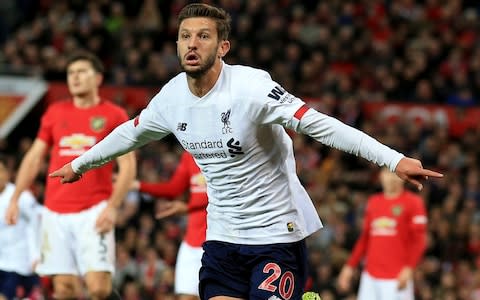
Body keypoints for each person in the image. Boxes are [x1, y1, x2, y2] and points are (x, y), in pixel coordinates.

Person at [48, 4, 443, 300]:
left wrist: (393, 159)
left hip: (276, 236)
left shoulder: (253, 88)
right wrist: (80, 164)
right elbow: (129, 134)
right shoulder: (170, 97)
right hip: (222, 237)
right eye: (185, 36)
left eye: (203, 36)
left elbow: (320, 125)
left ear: (223, 46)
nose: (192, 43)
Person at [4, 51, 136, 300]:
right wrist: (15, 197)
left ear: (98, 78)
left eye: (82, 72)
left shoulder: (113, 114)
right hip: (55, 212)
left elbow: (127, 165)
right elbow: (34, 157)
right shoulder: (55, 112)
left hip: (94, 210)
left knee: (99, 288)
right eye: (71, 73)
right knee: (63, 288)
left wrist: (113, 207)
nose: (75, 77)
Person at [337, 167, 428, 300]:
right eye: (388, 173)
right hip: (370, 276)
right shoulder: (373, 202)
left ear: (404, 177)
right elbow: (365, 238)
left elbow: (419, 241)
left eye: (395, 174)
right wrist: (349, 266)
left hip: (396, 276)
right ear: (381, 175)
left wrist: (409, 268)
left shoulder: (414, 203)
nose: (391, 178)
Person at [131, 151, 207, 300]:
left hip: (217, 241)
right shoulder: (189, 155)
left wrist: (187, 208)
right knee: (186, 297)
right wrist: (138, 185)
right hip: (191, 242)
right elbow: (174, 188)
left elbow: (226, 195)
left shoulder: (225, 151)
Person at [0, 155, 41, 299]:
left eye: (1, 171)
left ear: (7, 173)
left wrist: (36, 254)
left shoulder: (21, 196)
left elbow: (36, 224)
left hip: (17, 263)